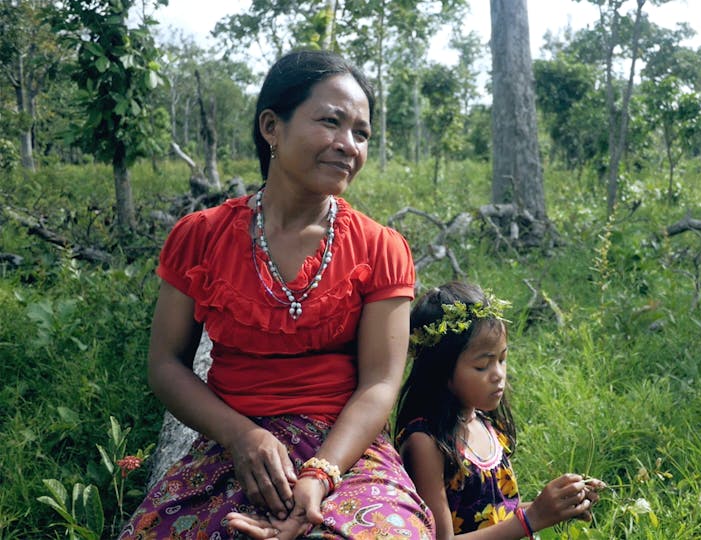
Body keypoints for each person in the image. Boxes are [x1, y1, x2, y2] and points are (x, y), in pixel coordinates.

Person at [119, 50, 433, 540]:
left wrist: (320, 474)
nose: (348, 145)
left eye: (362, 133)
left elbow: (379, 383)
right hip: (232, 448)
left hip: (346, 450)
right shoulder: (199, 237)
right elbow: (166, 364)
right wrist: (242, 436)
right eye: (331, 122)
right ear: (272, 126)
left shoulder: (381, 248)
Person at [395, 281, 604, 539]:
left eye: (502, 359)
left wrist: (559, 505)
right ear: (440, 371)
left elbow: (499, 517)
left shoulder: (485, 424)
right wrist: (533, 517)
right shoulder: (426, 443)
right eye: (483, 366)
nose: (498, 375)